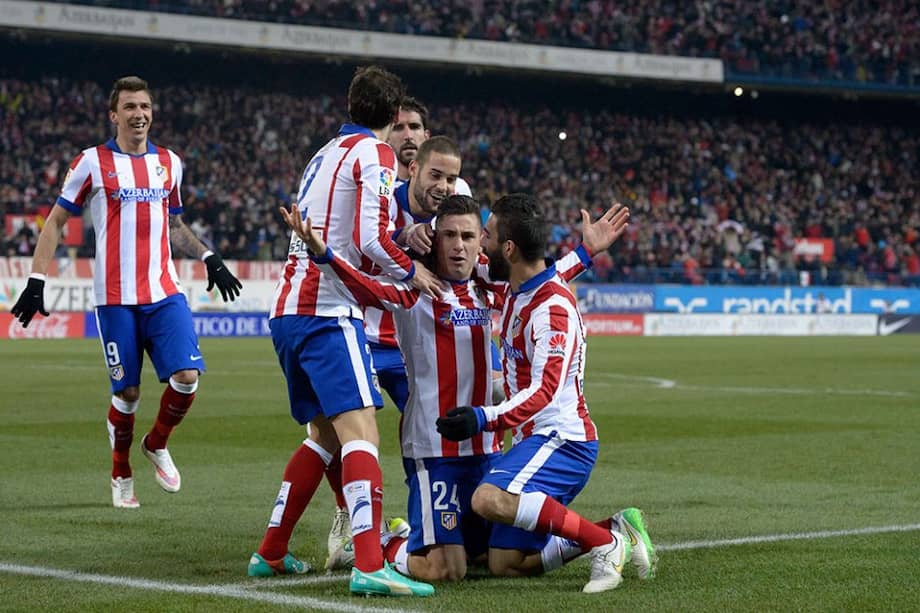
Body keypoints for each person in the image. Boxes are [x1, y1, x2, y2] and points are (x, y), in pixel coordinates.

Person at [284, 193, 647, 588]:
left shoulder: (490, 287)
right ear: (435, 239)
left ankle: (609, 534)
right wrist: (325, 255)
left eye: (471, 236)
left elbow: (540, 276)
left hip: (487, 448)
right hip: (434, 450)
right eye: (450, 235)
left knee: (495, 558)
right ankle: (383, 543)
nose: (460, 245)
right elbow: (368, 289)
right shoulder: (418, 289)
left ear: (483, 244)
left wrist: (586, 252)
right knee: (447, 569)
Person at [10, 75, 242, 510]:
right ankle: (120, 470)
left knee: (187, 378)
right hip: (114, 298)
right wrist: (37, 280)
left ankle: (156, 443)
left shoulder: (169, 163)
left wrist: (208, 256)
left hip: (163, 292)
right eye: (131, 107)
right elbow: (57, 222)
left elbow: (173, 224)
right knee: (129, 394)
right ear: (113, 115)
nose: (140, 114)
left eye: (146, 106)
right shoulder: (91, 163)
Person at [248, 65, 437, 598]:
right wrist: (410, 271)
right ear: (395, 115)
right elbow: (371, 239)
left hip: (287, 309)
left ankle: (272, 551)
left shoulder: (323, 153)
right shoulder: (374, 155)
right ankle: (370, 563)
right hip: (327, 311)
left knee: (324, 439)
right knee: (363, 437)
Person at [436, 193, 658, 593]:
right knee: (507, 564)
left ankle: (603, 545)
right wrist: (587, 251)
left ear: (508, 248)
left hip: (563, 440)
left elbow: (545, 392)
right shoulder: (518, 287)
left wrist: (482, 417)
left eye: (484, 236)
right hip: (535, 439)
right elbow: (548, 272)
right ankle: (614, 528)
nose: (478, 247)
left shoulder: (551, 310)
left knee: (487, 500)